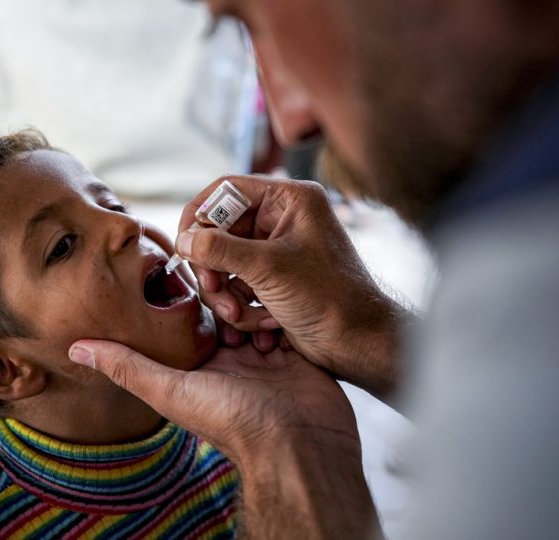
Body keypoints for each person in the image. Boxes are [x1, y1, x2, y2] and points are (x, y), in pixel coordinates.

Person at [68, 1, 559, 538]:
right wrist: (366, 331)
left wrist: (284, 444)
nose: (291, 119)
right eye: (62, 244)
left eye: (254, 21)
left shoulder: (525, 297)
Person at [0, 130, 240, 539]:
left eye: (113, 204)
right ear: (5, 369)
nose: (125, 226)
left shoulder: (235, 408)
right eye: (64, 245)